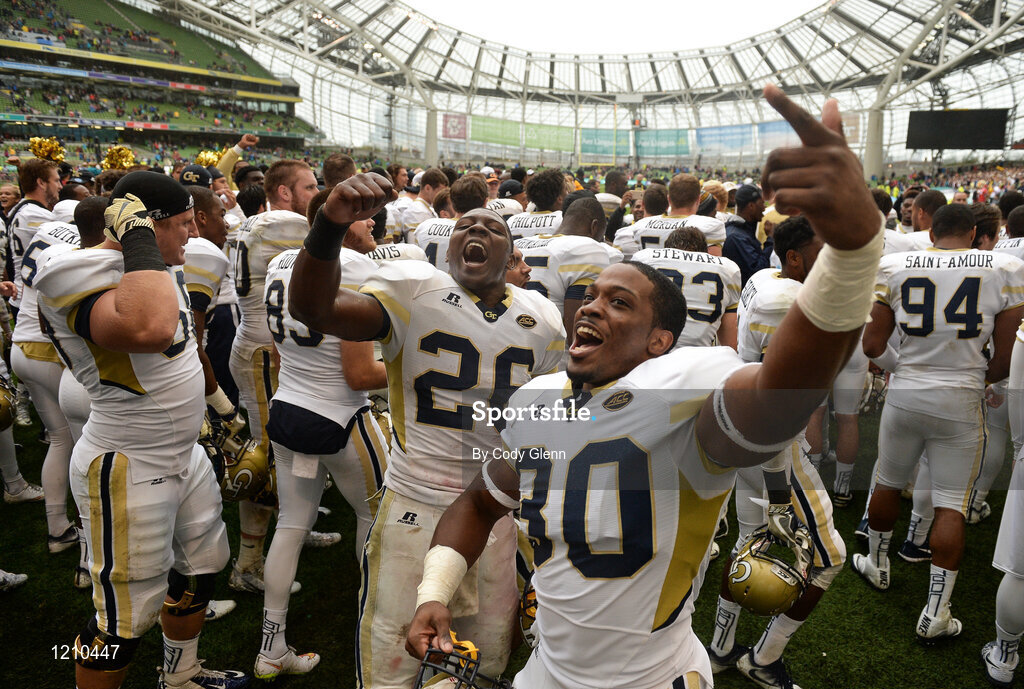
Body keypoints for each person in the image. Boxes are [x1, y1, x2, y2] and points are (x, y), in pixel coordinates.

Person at [403, 85, 885, 689]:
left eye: (620, 302)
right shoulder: (539, 403)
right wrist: (435, 592)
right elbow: (479, 503)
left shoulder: (683, 392)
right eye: (592, 294)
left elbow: (780, 394)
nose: (591, 307)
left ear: (661, 340)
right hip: (546, 672)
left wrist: (852, 253)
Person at [288, 178, 565, 689]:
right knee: (392, 666)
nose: (476, 228)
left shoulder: (543, 319)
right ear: (448, 244)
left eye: (492, 228)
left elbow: (542, 421)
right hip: (417, 501)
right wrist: (328, 226)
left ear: (511, 255)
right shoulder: (413, 289)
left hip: (495, 508)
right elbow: (314, 309)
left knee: (483, 663)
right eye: (466, 224)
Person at [33, 171, 246, 689]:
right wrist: (139, 240)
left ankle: (181, 674)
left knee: (201, 568)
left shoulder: (153, 262)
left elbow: (184, 342)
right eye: (181, 224)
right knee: (122, 619)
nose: (191, 235)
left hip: (182, 451)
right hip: (127, 460)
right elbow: (146, 329)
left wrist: (219, 407)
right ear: (144, 226)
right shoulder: (76, 271)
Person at [857, 203, 1024, 642]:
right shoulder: (1003, 266)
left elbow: (872, 342)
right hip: (961, 396)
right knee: (951, 504)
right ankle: (936, 611)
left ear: (931, 232)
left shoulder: (895, 265)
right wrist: (976, 378)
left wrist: (903, 368)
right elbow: (1006, 355)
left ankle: (877, 565)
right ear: (972, 233)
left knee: (887, 481)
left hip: (907, 392)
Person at [254, 197, 390, 681]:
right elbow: (358, 375)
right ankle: (376, 627)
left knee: (290, 524)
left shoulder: (278, 261)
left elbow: (274, 345)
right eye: (365, 212)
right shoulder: (356, 267)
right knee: (375, 518)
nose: (373, 220)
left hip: (288, 409)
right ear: (341, 221)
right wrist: (410, 371)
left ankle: (271, 647)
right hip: (342, 417)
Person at [707, 216, 846, 689]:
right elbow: (776, 403)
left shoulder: (767, 278)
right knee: (829, 559)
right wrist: (779, 491)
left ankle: (722, 649)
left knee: (750, 543)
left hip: (741, 433)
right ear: (793, 257)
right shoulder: (785, 300)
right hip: (772, 448)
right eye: (824, 249)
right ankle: (763, 658)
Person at [229, 159, 322, 595]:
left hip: (260, 346)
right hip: (265, 355)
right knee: (265, 457)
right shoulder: (286, 223)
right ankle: (248, 563)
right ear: (283, 192)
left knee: (289, 452)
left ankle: (295, 528)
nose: (315, 192)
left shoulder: (254, 222)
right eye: (307, 186)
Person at [514, 196, 622, 342]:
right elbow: (577, 334)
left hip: (512, 343)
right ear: (594, 227)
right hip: (557, 356)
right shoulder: (587, 248)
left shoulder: (518, 244)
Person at [631, 226, 741, 349]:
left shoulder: (644, 258)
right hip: (697, 355)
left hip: (651, 350)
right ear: (704, 251)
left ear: (668, 248)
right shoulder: (728, 268)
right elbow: (730, 341)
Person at [632, 174, 727, 254]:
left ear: (668, 199)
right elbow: (713, 268)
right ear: (698, 200)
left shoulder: (641, 224)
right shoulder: (711, 226)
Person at [413, 175, 488, 272]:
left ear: (452, 201)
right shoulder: (480, 235)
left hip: (425, 285)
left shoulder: (424, 226)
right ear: (485, 203)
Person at [722, 184, 769, 286]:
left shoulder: (743, 231)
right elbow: (760, 272)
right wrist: (771, 238)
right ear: (751, 206)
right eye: (762, 203)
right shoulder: (737, 237)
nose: (764, 207)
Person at [507, 168, 566, 240]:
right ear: (559, 198)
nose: (567, 193)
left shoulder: (512, 220)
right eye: (565, 190)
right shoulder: (562, 220)